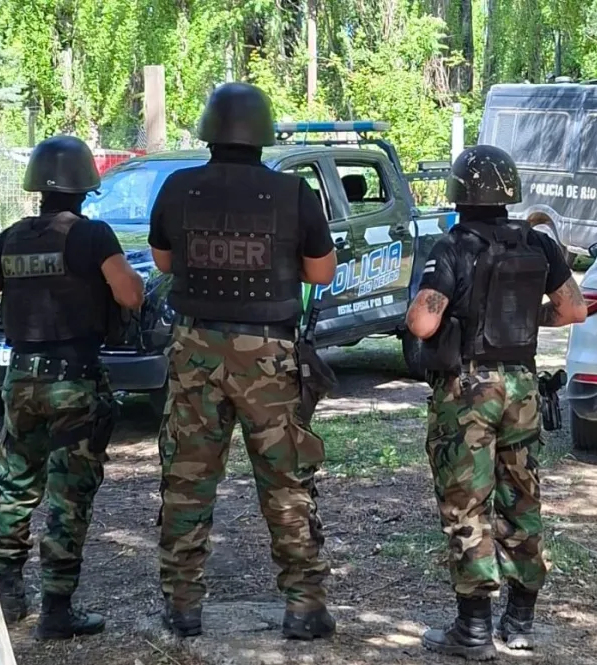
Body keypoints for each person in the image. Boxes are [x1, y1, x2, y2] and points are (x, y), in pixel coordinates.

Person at [148, 82, 338, 640]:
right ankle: (305, 607)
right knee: (285, 481)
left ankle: (182, 607)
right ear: (264, 132)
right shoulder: (292, 193)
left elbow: (163, 259)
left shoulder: (179, 187)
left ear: (209, 129)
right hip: (269, 356)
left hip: (194, 349)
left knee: (187, 479)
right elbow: (322, 272)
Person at [0, 135, 144, 640]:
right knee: (68, 494)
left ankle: (8, 594)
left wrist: (14, 280)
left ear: (37, 186)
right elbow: (129, 291)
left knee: (15, 486)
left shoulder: (12, 238)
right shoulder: (94, 236)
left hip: (21, 380)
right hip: (73, 380)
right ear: (86, 187)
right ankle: (57, 609)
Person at [405, 144, 588, 660]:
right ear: (510, 192)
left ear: (459, 192)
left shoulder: (452, 247)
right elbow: (575, 309)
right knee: (522, 497)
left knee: (467, 503)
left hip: (468, 389)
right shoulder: (540, 246)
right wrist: (533, 322)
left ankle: (474, 629)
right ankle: (521, 621)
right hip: (523, 385)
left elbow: (423, 322)